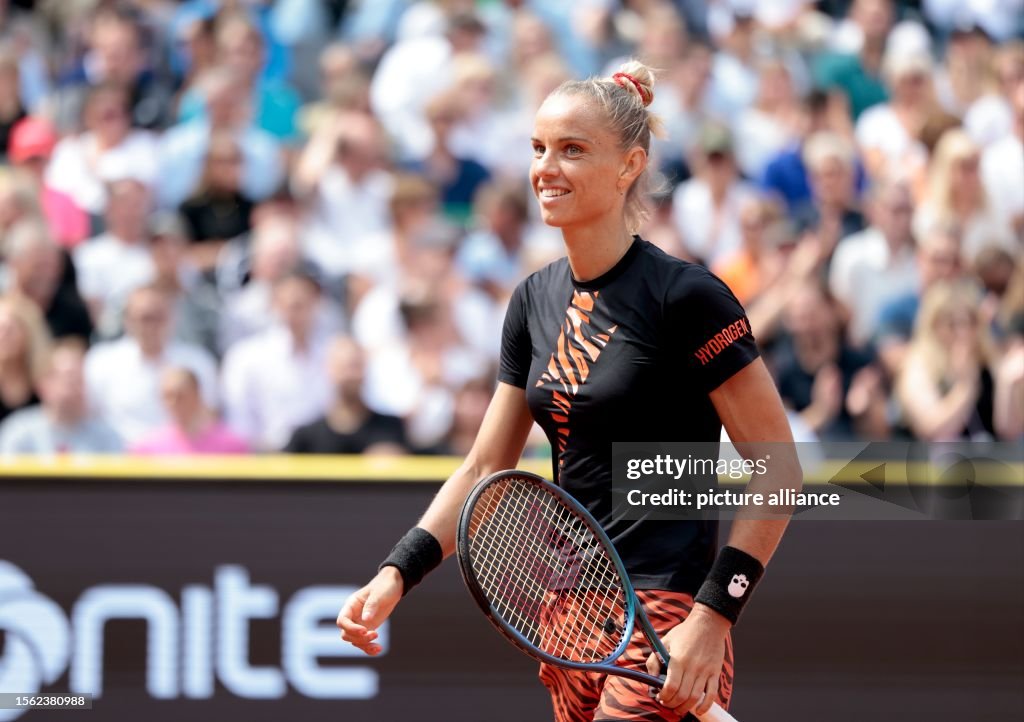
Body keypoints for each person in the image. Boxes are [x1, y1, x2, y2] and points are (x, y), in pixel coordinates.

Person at [338, 61, 801, 721]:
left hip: (667, 611)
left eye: (572, 150)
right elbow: (482, 468)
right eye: (538, 149)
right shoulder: (532, 301)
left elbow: (777, 467)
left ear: (629, 165)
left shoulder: (687, 297)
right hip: (572, 619)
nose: (545, 168)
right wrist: (395, 574)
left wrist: (713, 616)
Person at [284, 336, 407, 455]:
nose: (350, 375)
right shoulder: (306, 438)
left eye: (356, 366)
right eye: (343, 367)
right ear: (328, 369)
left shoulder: (389, 429)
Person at [0, 340, 122, 455]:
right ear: (43, 383)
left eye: (79, 377)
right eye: (69, 376)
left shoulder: (107, 437)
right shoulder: (18, 432)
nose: (75, 384)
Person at [132, 366, 247, 455]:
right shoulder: (146, 449)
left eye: (180, 395)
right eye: (167, 396)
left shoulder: (232, 447)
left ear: (197, 395)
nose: (172, 403)